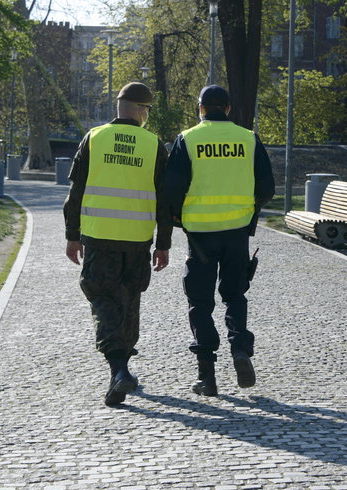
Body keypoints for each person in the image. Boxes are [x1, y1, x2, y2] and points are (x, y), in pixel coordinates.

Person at [63, 82, 172, 406]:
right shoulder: (153, 144)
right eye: (147, 110)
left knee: (102, 299)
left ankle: (119, 369)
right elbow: (164, 202)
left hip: (99, 237)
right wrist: (163, 244)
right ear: (141, 110)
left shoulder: (94, 138)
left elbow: (76, 194)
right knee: (128, 303)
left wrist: (72, 235)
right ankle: (122, 371)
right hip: (137, 240)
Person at [164, 85, 275, 396]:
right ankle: (240, 349)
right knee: (235, 295)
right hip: (237, 231)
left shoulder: (188, 139)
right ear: (228, 109)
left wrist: (176, 218)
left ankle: (207, 376)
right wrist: (247, 207)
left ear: (200, 108)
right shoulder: (248, 139)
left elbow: (172, 189)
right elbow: (267, 188)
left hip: (199, 234)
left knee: (200, 302)